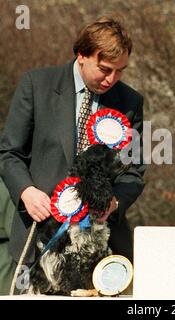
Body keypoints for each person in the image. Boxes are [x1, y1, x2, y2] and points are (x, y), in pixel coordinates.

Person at [0, 16, 145, 288]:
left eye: (120, 70)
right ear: (82, 55)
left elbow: (134, 171)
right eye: (104, 69)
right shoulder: (36, 85)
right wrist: (26, 191)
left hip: (99, 247)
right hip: (39, 238)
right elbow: (9, 152)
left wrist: (114, 203)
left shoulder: (131, 102)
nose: (112, 78)